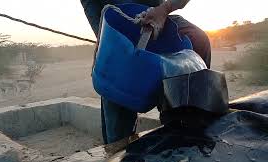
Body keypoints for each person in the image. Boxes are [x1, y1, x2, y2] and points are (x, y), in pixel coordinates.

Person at [80, 0, 211, 144]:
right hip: (121, 23)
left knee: (198, 39)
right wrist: (103, 33)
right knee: (118, 134)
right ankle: (118, 146)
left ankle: (185, 123)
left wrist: (165, 9)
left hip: (159, 15)